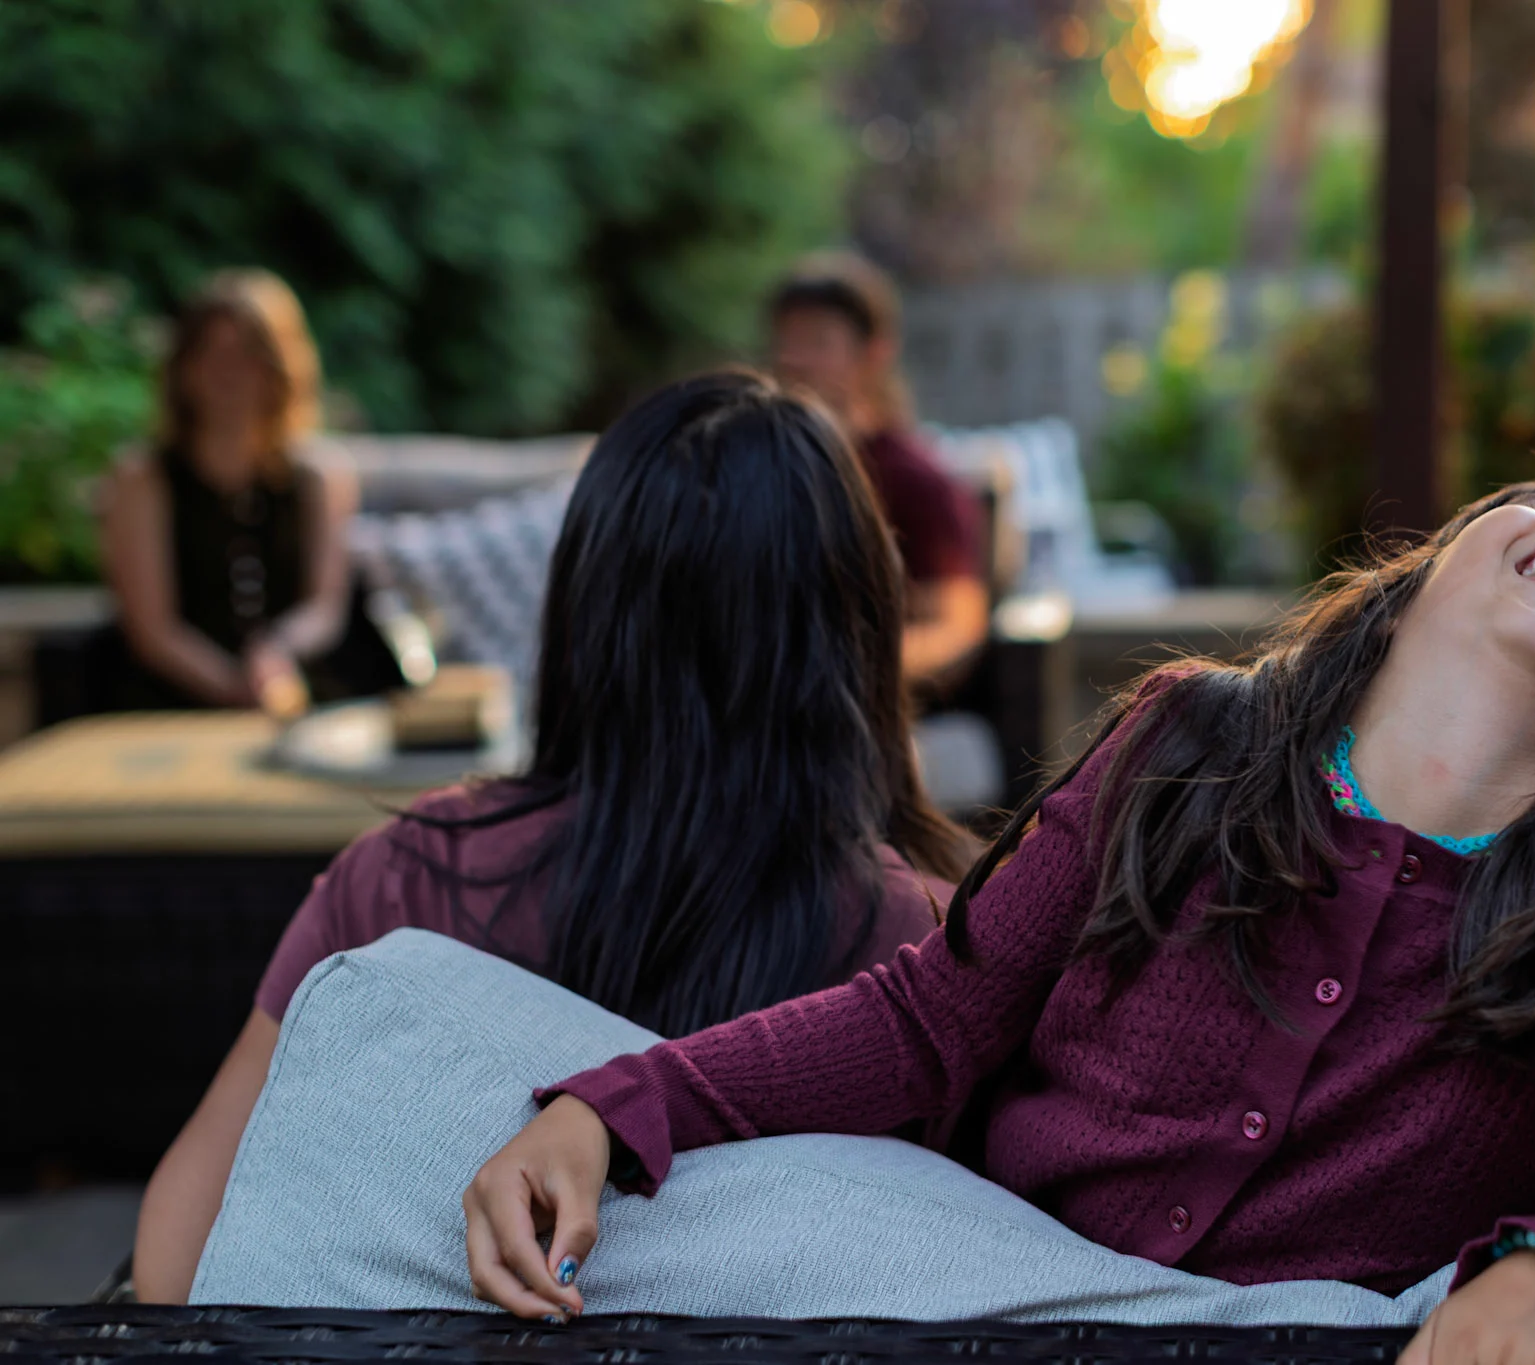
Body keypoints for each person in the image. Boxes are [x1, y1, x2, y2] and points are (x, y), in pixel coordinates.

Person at [465, 476, 1535, 1364]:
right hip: (994, 1307)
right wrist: (626, 1100)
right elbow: (928, 1021)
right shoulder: (1187, 739)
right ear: (1405, 593)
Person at [133, 371, 974, 1302]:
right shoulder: (926, 951)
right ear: (855, 628)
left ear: (584, 611)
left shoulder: (409, 876)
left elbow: (179, 1257)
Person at [98, 269, 360, 714]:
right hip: (170, 698)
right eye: (212, 356)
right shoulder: (143, 478)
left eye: (246, 358)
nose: (229, 376)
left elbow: (324, 609)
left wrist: (274, 657)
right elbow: (153, 629)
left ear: (279, 367)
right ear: (183, 368)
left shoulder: (320, 475)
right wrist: (233, 690)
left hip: (294, 692)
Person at [768, 253, 989, 695]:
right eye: (787, 340)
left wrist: (841, 680)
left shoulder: (913, 479)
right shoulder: (757, 464)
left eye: (818, 342)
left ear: (874, 353)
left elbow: (956, 629)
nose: (795, 359)